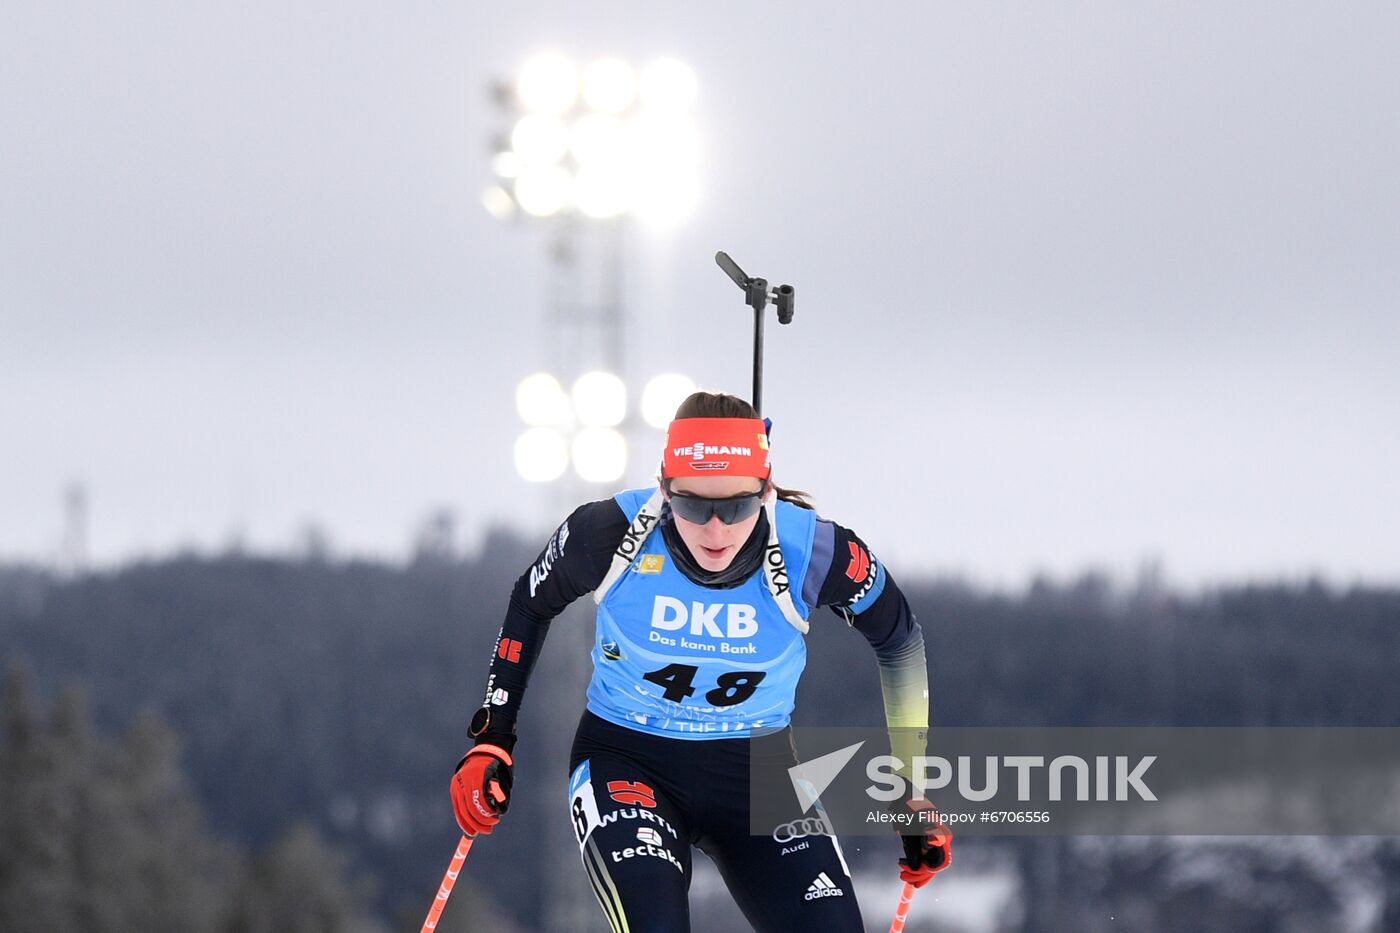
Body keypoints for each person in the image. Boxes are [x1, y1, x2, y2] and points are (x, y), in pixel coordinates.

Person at [450, 391, 951, 931]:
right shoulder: (611, 534)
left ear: (766, 491)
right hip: (629, 760)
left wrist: (911, 789)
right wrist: (494, 734)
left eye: (735, 506)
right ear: (664, 489)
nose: (715, 531)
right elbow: (531, 599)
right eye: (692, 505)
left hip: (759, 776)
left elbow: (900, 641)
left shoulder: (814, 550)